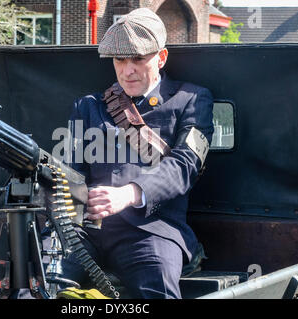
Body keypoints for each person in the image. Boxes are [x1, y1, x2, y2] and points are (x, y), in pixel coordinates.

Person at [61, 8, 214, 299]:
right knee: (35, 279)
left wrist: (129, 193)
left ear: (161, 57)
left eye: (138, 59)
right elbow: (71, 173)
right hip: (86, 229)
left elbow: (185, 164)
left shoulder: (190, 99)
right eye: (120, 59)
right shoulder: (88, 106)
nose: (128, 69)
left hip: (151, 229)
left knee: (157, 287)